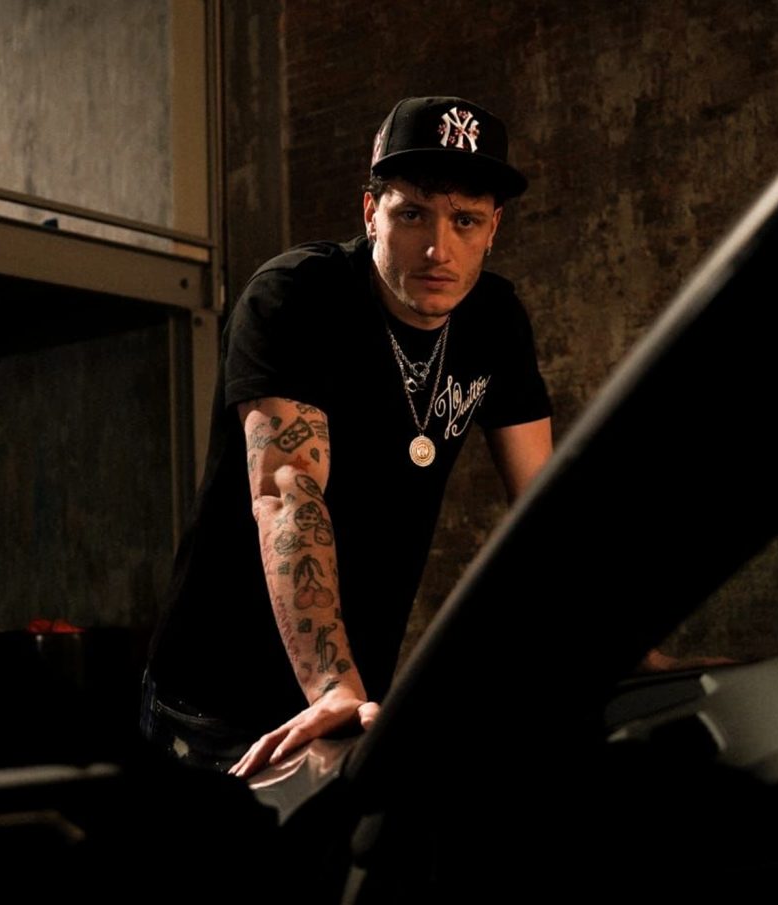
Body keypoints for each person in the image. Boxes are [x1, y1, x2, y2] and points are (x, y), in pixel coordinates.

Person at [141, 96, 553, 778]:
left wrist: (630, 645)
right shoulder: (296, 297)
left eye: (465, 220)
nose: (438, 248)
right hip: (216, 697)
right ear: (370, 212)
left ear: (493, 228)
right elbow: (286, 489)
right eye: (412, 213)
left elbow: (546, 504)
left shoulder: (494, 321)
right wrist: (331, 682)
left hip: (354, 699)